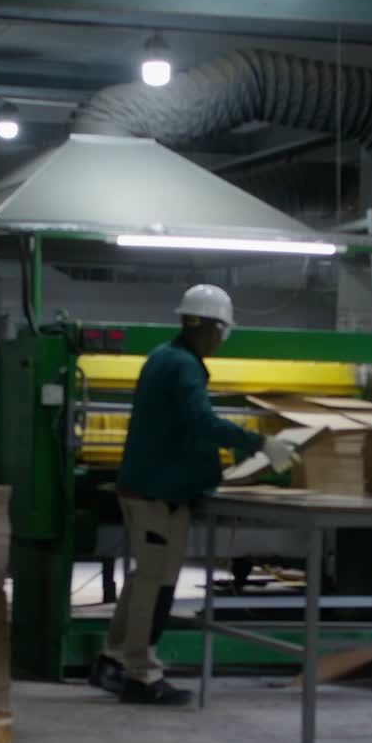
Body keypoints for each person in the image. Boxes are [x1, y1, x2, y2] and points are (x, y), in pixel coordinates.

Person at [91, 284, 296, 706]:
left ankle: (112, 658)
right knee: (158, 583)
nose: (223, 341)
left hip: (149, 488)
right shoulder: (184, 365)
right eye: (225, 332)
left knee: (143, 579)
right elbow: (200, 422)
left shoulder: (164, 357)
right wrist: (260, 444)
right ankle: (141, 675)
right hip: (157, 495)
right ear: (213, 327)